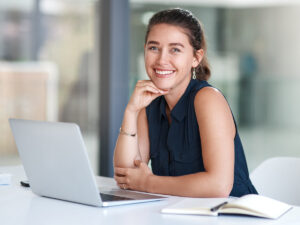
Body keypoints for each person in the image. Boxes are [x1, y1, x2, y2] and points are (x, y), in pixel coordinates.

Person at [113, 8, 258, 197]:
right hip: (179, 213)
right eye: (154, 48)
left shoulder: (208, 99)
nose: (162, 59)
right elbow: (126, 177)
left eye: (175, 49)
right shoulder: (149, 105)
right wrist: (131, 111)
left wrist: (147, 182)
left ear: (196, 58)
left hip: (232, 215)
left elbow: (218, 186)